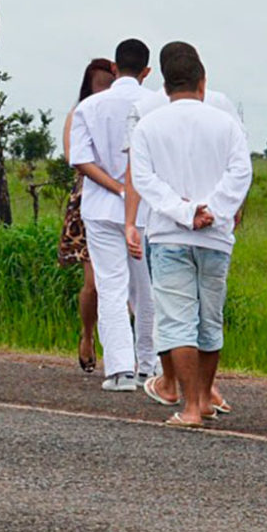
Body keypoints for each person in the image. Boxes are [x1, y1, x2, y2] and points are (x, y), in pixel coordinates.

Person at [129, 42, 252, 427]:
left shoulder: (149, 125)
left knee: (177, 319)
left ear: (165, 87)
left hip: (169, 234)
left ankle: (190, 408)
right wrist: (211, 209)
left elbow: (143, 179)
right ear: (203, 82)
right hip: (214, 235)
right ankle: (204, 397)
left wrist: (184, 211)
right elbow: (241, 172)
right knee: (209, 320)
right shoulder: (226, 123)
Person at [70, 38, 157, 391]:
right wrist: (132, 191)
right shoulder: (156, 104)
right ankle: (149, 366)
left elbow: (80, 159)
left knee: (110, 287)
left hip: (101, 208)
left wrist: (116, 188)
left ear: (116, 69)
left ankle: (120, 370)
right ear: (147, 71)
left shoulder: (89, 107)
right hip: (148, 210)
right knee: (147, 289)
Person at [58, 58, 115, 373]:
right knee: (93, 283)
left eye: (111, 82)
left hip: (127, 201)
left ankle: (123, 350)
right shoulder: (79, 114)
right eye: (100, 83)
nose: (106, 89)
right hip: (88, 203)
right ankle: (87, 334)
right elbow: (73, 157)